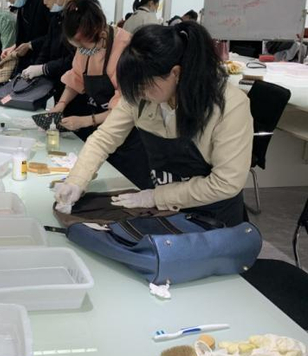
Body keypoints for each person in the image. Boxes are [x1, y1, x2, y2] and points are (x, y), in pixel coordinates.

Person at [55, 22, 252, 226]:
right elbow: (104, 138)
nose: (139, 94)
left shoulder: (229, 106)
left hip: (215, 217)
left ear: (175, 73)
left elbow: (226, 183)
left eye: (143, 86)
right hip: (165, 211)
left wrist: (156, 197)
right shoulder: (140, 94)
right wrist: (76, 181)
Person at [49, 0, 152, 189]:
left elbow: (124, 109)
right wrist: (61, 105)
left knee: (126, 187)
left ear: (100, 32)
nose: (81, 51)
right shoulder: (85, 47)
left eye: (83, 47)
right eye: (77, 47)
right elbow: (76, 78)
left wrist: (86, 121)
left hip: (130, 134)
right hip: (104, 128)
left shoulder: (126, 49)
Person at [22, 0, 79, 105]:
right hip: (59, 88)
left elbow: (76, 59)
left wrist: (44, 69)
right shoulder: (57, 16)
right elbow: (47, 47)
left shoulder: (82, 17)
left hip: (78, 93)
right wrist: (34, 71)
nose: (44, 2)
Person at [0, 0, 50, 72]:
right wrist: (14, 47)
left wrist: (31, 45)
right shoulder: (22, 5)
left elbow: (54, 34)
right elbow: (26, 37)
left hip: (43, 63)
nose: (11, 2)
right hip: (27, 65)